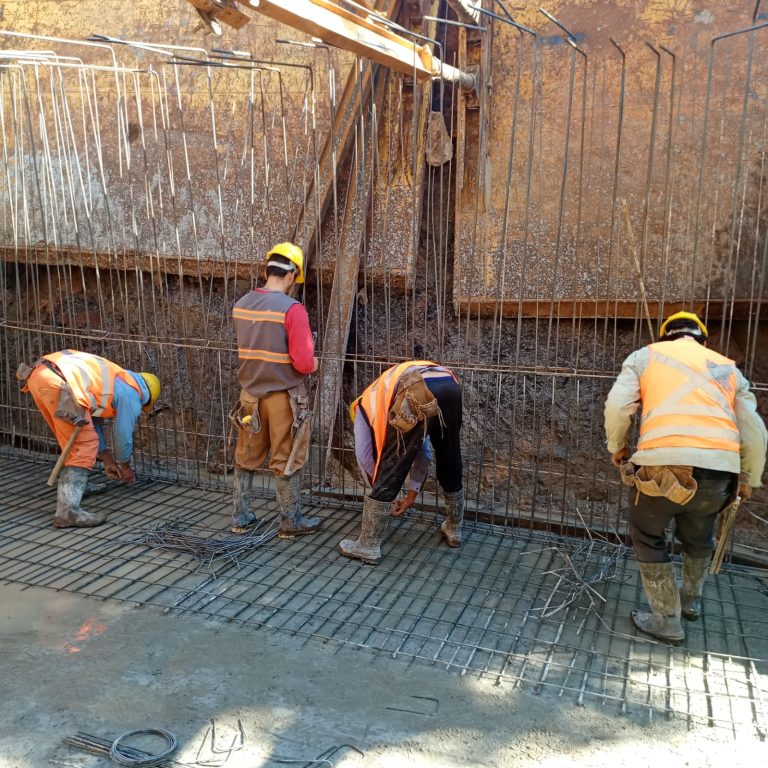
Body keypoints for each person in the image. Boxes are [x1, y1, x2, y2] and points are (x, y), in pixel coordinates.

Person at [604, 311, 767, 643]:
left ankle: (666, 618)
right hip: (719, 474)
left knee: (648, 536)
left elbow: (618, 406)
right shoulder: (728, 367)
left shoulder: (645, 356)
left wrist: (617, 448)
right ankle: (691, 602)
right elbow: (754, 431)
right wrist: (750, 478)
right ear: (702, 339)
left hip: (661, 468)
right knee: (699, 537)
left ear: (666, 336)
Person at [229, 242, 320, 539]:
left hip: (250, 397)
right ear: (292, 274)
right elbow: (304, 363)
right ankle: (290, 521)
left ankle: (240, 516)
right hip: (283, 398)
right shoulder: (292, 310)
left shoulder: (241, 304)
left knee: (246, 455)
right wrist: (314, 362)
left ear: (267, 269)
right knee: (287, 457)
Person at [339, 360, 464, 564]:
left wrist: (382, 494)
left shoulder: (363, 409)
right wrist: (410, 496)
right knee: (449, 455)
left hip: (414, 386)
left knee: (393, 461)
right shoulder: (380, 398)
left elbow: (366, 458)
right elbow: (422, 452)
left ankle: (368, 545)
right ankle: (454, 529)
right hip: (449, 384)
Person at [18, 350, 161, 528]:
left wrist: (108, 460)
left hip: (40, 374)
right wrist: (124, 465)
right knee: (83, 445)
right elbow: (123, 432)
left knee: (74, 437)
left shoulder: (109, 382)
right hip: (60, 381)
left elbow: (92, 423)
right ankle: (67, 512)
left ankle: (77, 488)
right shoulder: (132, 393)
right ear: (147, 398)